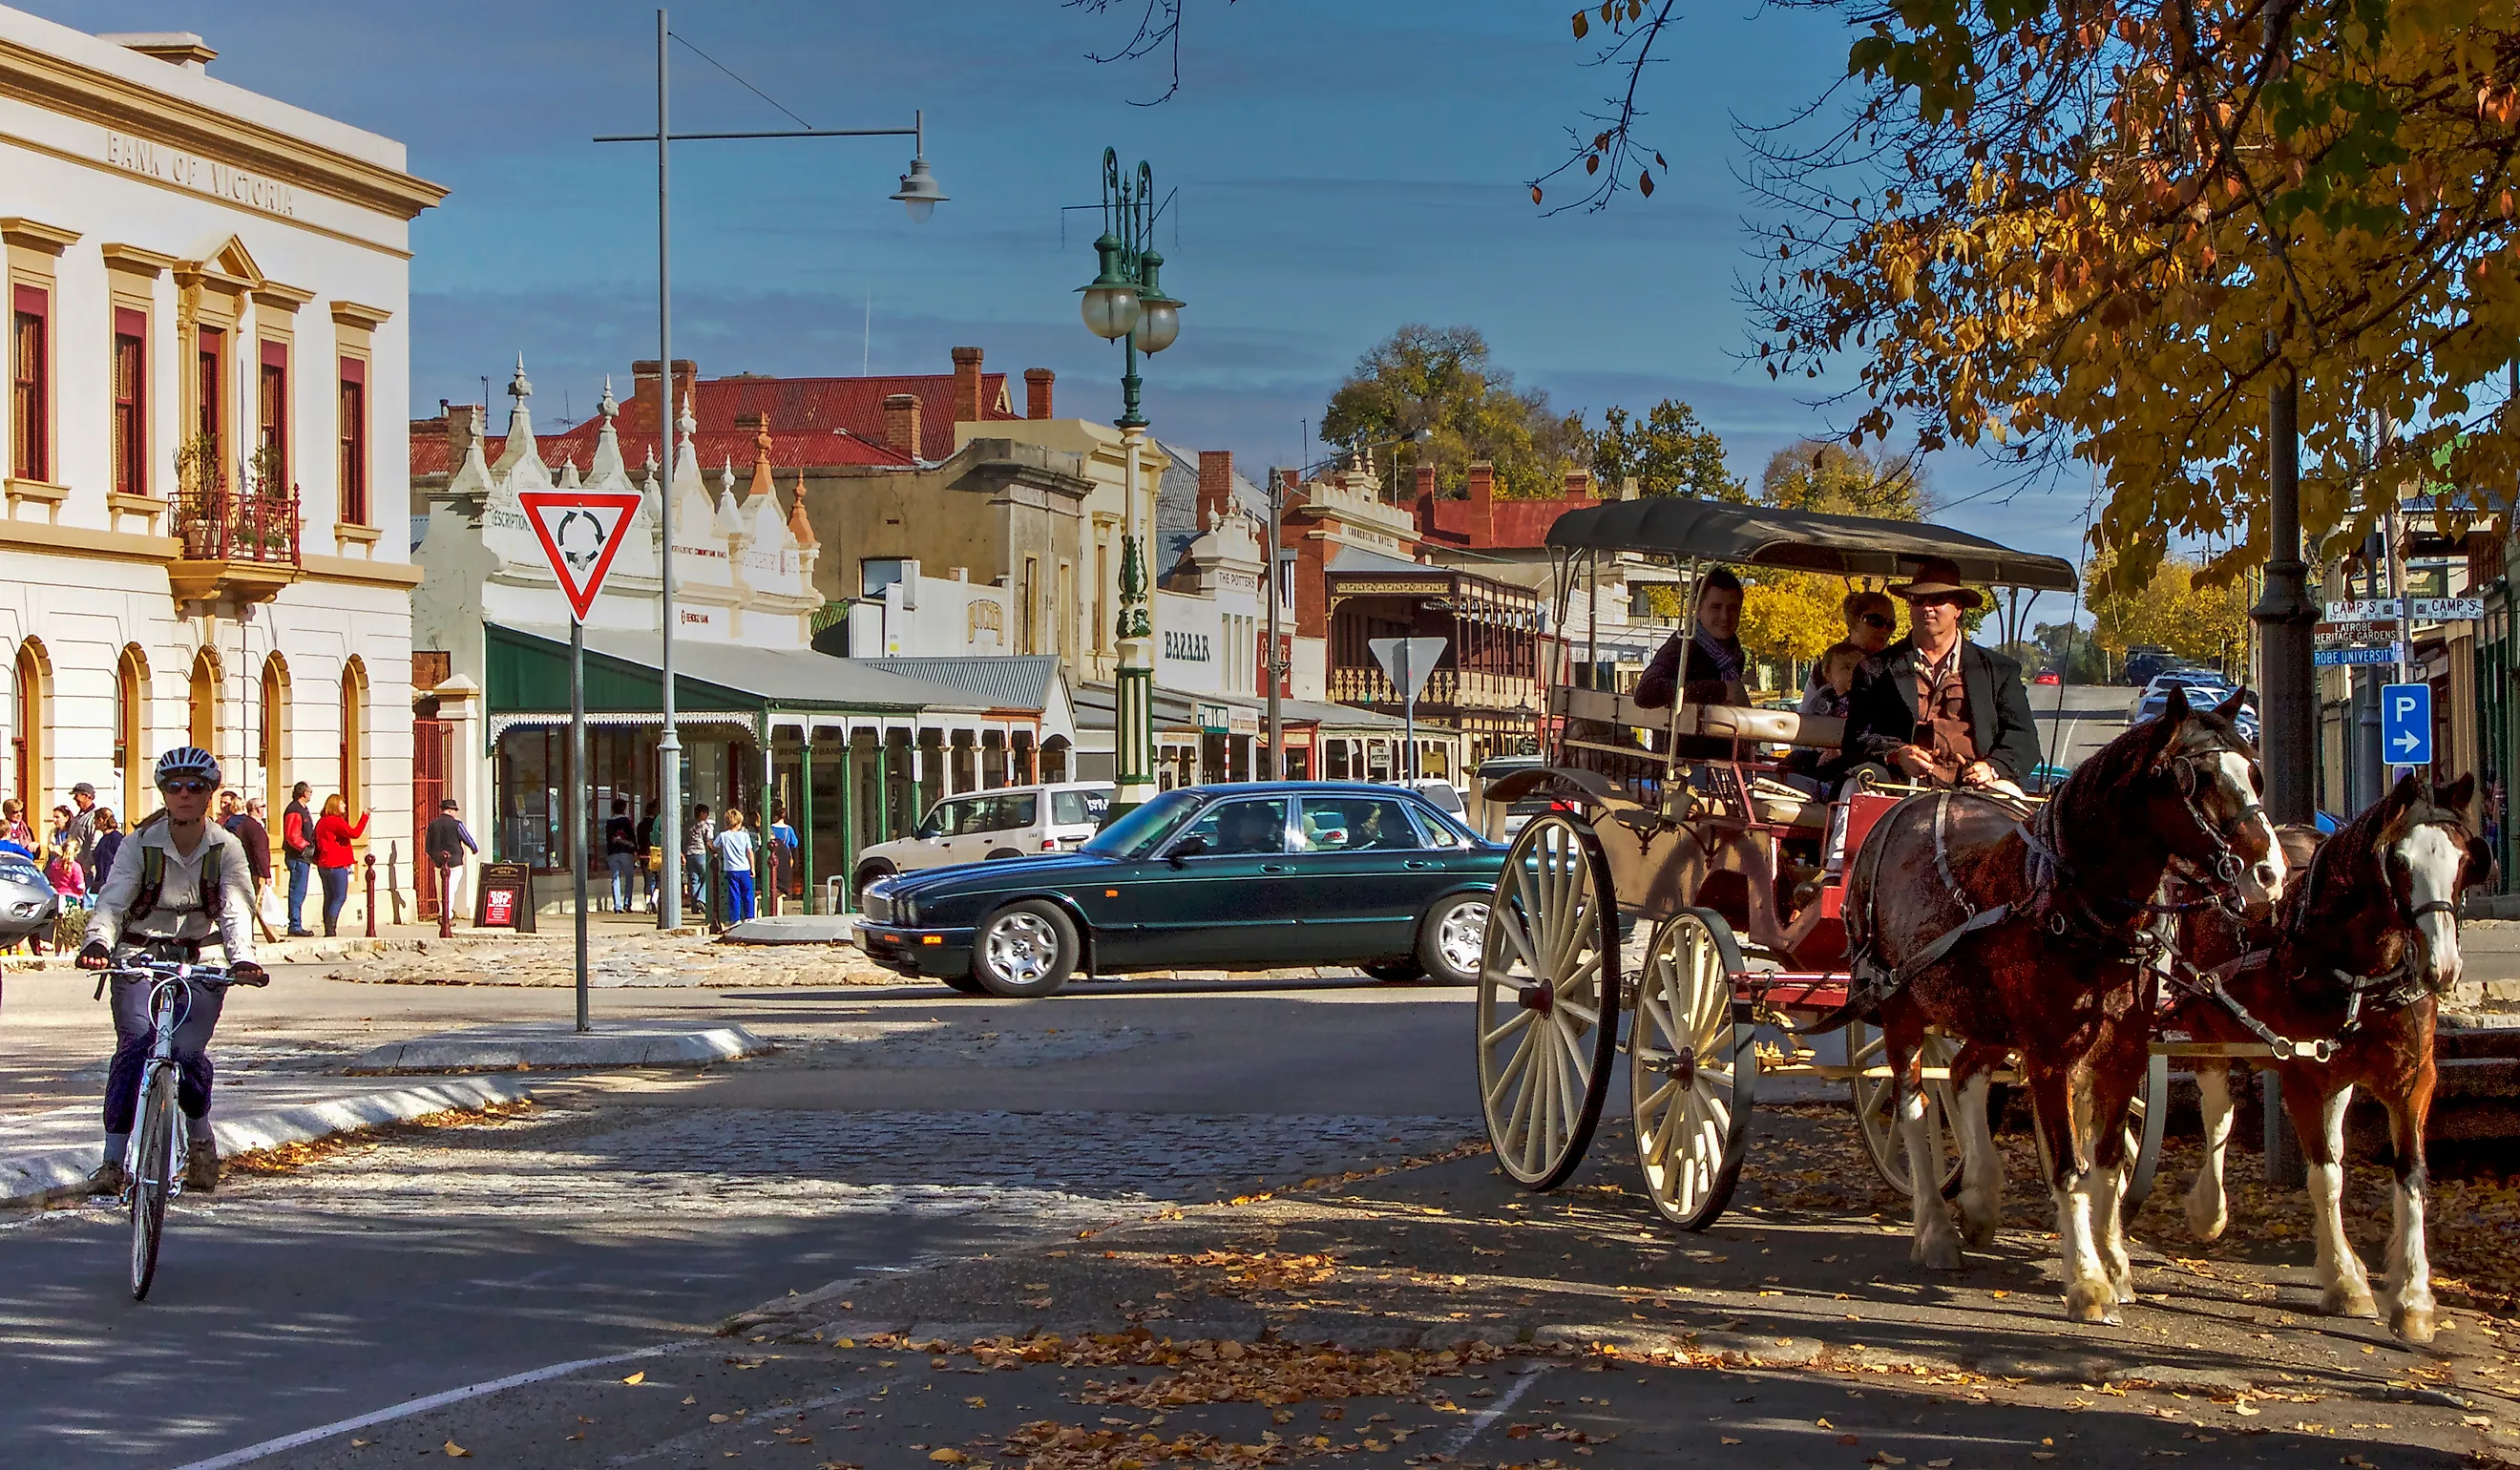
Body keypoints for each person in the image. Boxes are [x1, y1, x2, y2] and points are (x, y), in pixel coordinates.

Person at [77, 746, 264, 1196]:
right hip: (138, 955)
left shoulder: (227, 847)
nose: (185, 795)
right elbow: (114, 897)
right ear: (163, 793)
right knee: (136, 1046)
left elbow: (236, 908)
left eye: (196, 787)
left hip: (203, 958)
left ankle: (199, 1141)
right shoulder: (138, 843)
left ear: (210, 795)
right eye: (175, 787)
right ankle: (112, 1161)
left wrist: (243, 958)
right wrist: (98, 941)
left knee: (185, 1052)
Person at [1841, 556, 2039, 795]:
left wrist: (1992, 768)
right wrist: (1897, 754)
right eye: (1918, 600)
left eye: (1937, 600)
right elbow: (1856, 739)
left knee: (2013, 801)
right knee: (1857, 790)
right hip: (1897, 785)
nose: (1927, 608)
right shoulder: (1874, 669)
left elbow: (2024, 739)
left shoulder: (2000, 671)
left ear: (1958, 608)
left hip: (1978, 789)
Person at [1634, 568, 1749, 711]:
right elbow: (1645, 692)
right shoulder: (1683, 646)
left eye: (1732, 608)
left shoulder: (1734, 655)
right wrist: (1722, 691)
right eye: (1716, 607)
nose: (1725, 616)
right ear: (1698, 610)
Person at [314, 794, 369, 937]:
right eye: (342, 803)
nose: (344, 806)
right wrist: (365, 816)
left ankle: (328, 928)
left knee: (329, 896)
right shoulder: (335, 821)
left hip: (323, 864)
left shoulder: (322, 822)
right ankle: (331, 928)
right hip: (336, 863)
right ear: (334, 806)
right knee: (339, 896)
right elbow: (355, 833)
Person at [424, 799, 478, 919]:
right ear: (450, 810)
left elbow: (428, 846)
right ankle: (446, 916)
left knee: (440, 890)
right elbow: (467, 839)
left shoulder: (433, 824)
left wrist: (434, 856)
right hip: (454, 862)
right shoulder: (456, 824)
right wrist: (474, 849)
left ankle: (443, 913)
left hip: (439, 863)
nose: (455, 813)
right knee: (450, 889)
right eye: (454, 810)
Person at [233, 797, 277, 941]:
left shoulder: (244, 825)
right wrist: (265, 873)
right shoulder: (255, 828)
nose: (264, 809)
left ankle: (271, 935)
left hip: (247, 869)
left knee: (255, 904)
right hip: (256, 872)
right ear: (258, 809)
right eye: (263, 807)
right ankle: (271, 935)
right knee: (259, 904)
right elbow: (260, 852)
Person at [281, 782, 317, 937]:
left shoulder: (302, 810)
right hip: (297, 857)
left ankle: (296, 923)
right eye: (310, 791)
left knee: (300, 891)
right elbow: (292, 835)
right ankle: (295, 925)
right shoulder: (295, 810)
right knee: (297, 891)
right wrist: (305, 848)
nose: (311, 794)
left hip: (302, 857)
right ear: (303, 793)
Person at [715, 808, 757, 923]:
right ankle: (750, 916)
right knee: (748, 893)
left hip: (731, 869)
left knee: (734, 894)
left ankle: (735, 918)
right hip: (744, 867)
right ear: (739, 822)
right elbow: (749, 852)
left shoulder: (723, 836)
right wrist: (752, 867)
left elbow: (715, 846)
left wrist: (708, 842)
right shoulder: (744, 836)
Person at [604, 798, 640, 914]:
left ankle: (617, 905)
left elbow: (608, 838)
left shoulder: (609, 822)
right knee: (629, 877)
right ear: (623, 809)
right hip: (626, 851)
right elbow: (631, 836)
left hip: (612, 852)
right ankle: (627, 903)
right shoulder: (626, 821)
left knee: (615, 878)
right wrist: (635, 849)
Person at [64, 781, 99, 890]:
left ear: (86, 796)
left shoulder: (93, 817)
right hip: (74, 865)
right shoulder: (79, 816)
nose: (75, 799)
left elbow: (95, 842)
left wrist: (88, 864)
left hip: (85, 869)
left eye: (77, 795)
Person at [766, 803, 800, 912]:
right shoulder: (788, 829)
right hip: (786, 855)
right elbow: (794, 843)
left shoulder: (770, 828)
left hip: (772, 855)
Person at [684, 803, 714, 912]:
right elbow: (709, 840)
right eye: (706, 813)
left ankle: (695, 906)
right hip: (701, 853)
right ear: (702, 813)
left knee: (694, 880)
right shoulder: (705, 825)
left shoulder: (688, 825)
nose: (707, 815)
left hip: (689, 854)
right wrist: (713, 851)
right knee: (707, 876)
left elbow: (684, 840)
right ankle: (701, 899)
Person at [90, 808, 125, 890]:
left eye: (95, 819)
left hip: (113, 883)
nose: (94, 823)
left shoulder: (116, 838)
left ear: (101, 820)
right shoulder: (103, 839)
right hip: (103, 882)